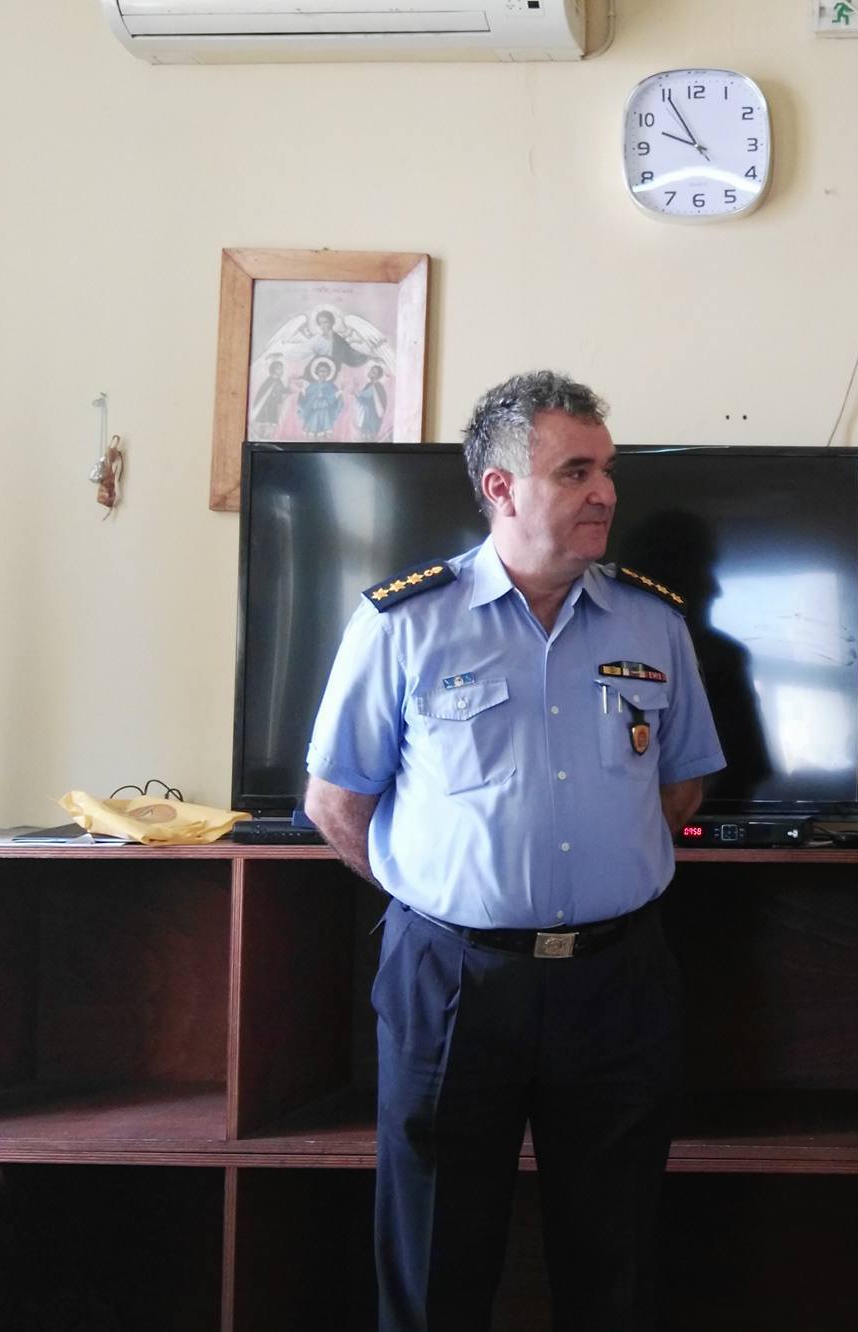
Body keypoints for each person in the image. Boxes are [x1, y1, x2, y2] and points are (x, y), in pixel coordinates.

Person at [303, 370, 725, 1332]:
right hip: (453, 981)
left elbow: (681, 787)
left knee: (616, 1262)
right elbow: (336, 802)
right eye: (576, 471)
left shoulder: (654, 623)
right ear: (501, 487)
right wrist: (440, 897)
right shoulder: (404, 623)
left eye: (607, 470)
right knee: (435, 1262)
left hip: (618, 981)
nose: (606, 492)